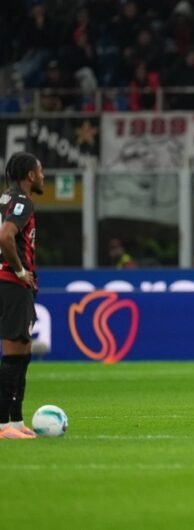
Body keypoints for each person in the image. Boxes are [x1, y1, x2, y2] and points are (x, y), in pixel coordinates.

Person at [0, 152, 45, 440]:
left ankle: (16, 422)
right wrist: (19, 271)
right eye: (40, 171)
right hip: (11, 283)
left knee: (23, 353)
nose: (43, 176)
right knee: (14, 354)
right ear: (30, 175)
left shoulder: (5, 199)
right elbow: (5, 236)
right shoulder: (21, 201)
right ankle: (2, 425)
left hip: (10, 284)